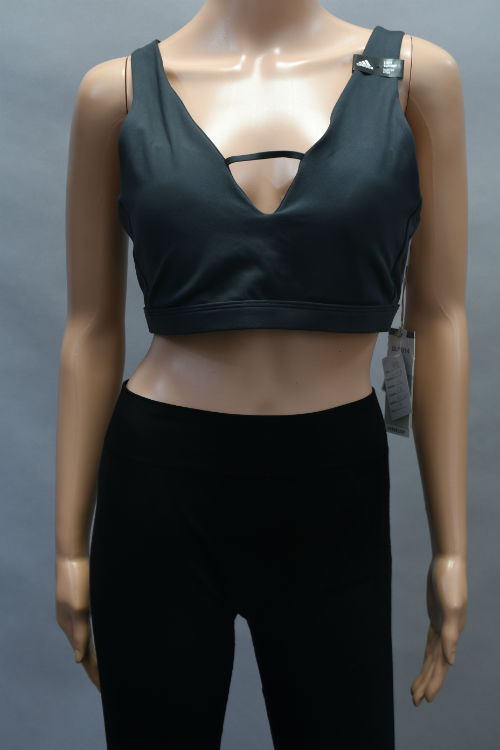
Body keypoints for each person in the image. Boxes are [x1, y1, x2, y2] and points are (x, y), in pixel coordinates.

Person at [55, 3, 469, 748]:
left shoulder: (414, 78)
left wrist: (452, 548)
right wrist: (69, 548)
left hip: (333, 487)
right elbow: (90, 328)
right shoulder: (116, 92)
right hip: (159, 489)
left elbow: (436, 317)